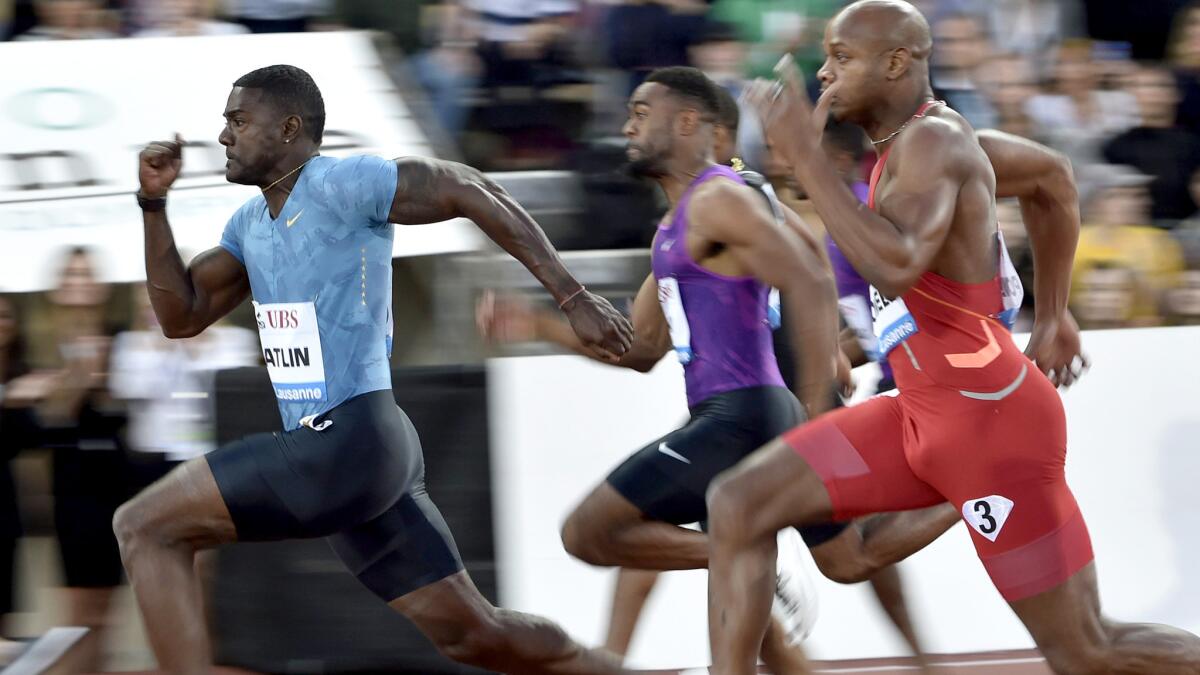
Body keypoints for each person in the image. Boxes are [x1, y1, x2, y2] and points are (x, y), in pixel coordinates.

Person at [705, 2, 1200, 674]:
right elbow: (1053, 177)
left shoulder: (936, 143)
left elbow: (896, 263)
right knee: (743, 504)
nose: (825, 73)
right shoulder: (916, 144)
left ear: (897, 62)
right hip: (921, 413)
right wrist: (1052, 314)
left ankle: (963, 490)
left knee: (1086, 650)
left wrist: (804, 157)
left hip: (990, 428)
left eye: (841, 57)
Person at [114, 64, 638, 675]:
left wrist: (573, 298)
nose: (224, 136)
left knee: (143, 526)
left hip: (348, 438)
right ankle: (603, 669)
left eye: (237, 121)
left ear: (287, 129)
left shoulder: (342, 182)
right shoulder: (249, 227)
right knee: (474, 635)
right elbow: (181, 317)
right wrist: (153, 204)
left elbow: (468, 185)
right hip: (357, 458)